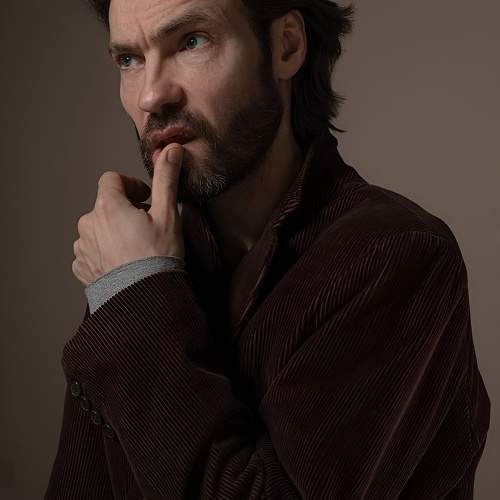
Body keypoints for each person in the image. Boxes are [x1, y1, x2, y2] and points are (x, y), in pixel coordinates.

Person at [45, 1, 491, 498]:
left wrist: (133, 290)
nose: (151, 95)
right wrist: (133, 282)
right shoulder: (140, 253)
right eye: (129, 59)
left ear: (286, 46)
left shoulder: (398, 254)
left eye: (191, 41)